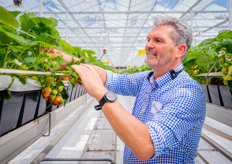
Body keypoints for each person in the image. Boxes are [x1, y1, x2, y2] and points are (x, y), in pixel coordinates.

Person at [68, 16, 205, 163]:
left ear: (180, 50)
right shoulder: (147, 79)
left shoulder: (187, 93)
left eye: (158, 40)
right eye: (148, 39)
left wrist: (102, 94)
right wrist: (69, 61)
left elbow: (146, 147)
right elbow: (111, 78)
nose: (148, 45)